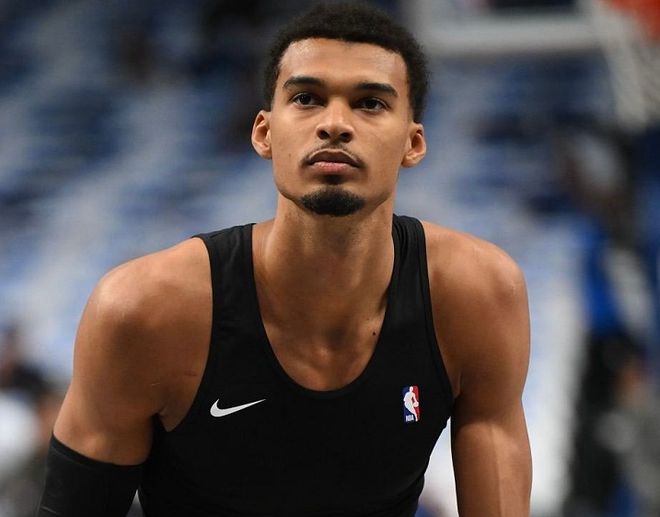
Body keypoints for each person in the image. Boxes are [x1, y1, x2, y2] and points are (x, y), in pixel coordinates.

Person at [38, 3, 532, 516]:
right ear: (264, 133)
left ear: (413, 143)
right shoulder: (144, 311)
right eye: (306, 98)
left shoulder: (478, 295)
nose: (335, 124)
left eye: (369, 103)